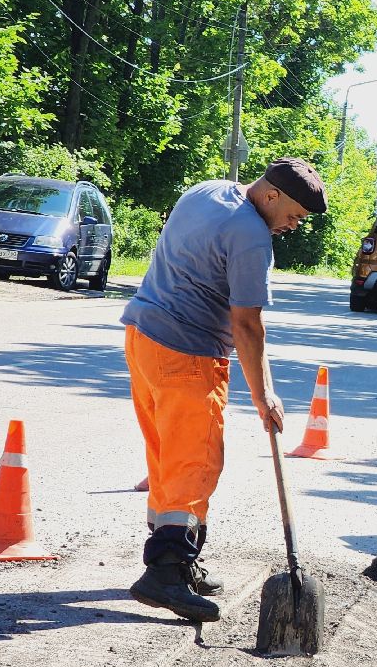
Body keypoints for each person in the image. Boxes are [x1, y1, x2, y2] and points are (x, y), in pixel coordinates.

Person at [121, 157, 326, 623]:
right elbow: (247, 325)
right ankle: (167, 570)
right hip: (187, 354)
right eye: (293, 215)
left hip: (143, 338)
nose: (293, 226)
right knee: (195, 461)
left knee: (166, 456)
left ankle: (178, 560)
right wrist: (263, 394)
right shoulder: (251, 236)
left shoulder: (206, 191)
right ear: (271, 195)